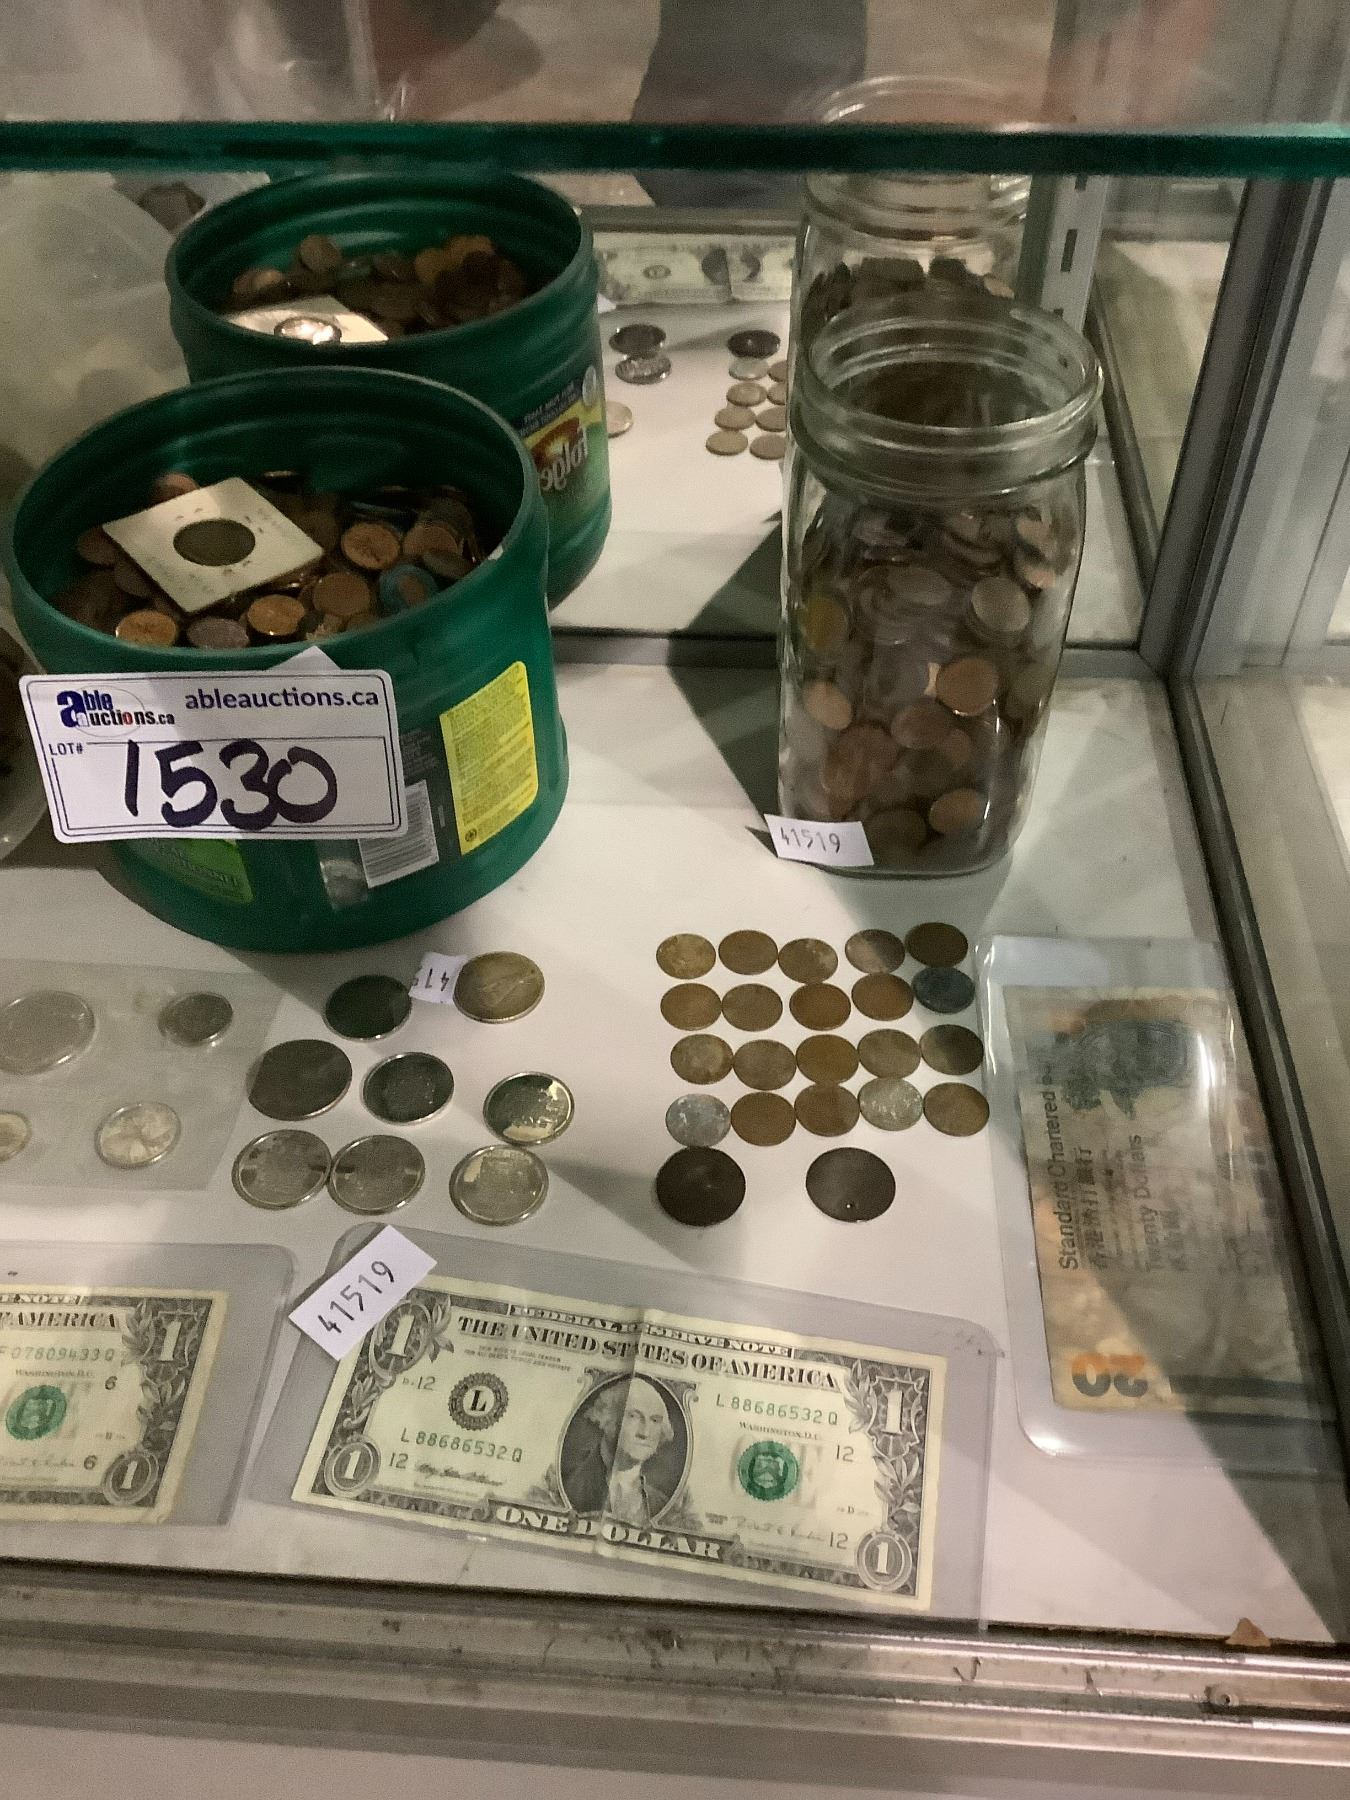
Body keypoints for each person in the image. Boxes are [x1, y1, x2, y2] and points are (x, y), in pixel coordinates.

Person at [561, 1375, 678, 1524]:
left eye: (655, 1420)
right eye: (634, 1416)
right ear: (608, 1417)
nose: (644, 1433)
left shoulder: (663, 1505)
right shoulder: (568, 1485)